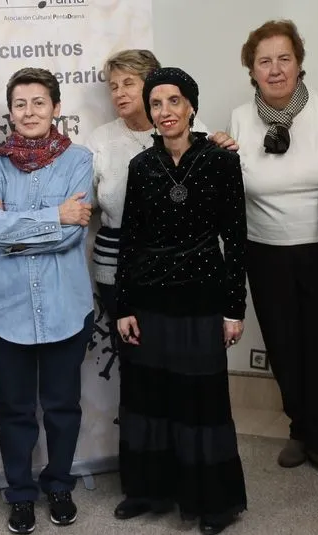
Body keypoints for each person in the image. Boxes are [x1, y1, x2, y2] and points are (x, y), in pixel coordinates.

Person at [115, 67, 248, 535]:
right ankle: (148, 491)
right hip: (149, 298)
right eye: (156, 104)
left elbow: (236, 239)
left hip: (202, 297)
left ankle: (212, 502)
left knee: (200, 402)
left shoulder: (220, 161)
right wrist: (123, 306)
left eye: (174, 102)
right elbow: (129, 239)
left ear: (191, 105)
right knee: (150, 397)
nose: (165, 112)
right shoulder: (141, 166)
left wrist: (235, 309)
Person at [226, 19, 318, 483]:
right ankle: (299, 429)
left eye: (284, 58)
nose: (275, 69)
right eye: (265, 61)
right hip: (265, 251)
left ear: (300, 64)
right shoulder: (240, 118)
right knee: (283, 346)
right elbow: (232, 186)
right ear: (252, 70)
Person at [0, 67, 95, 535]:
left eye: (39, 103)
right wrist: (53, 215)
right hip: (6, 314)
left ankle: (60, 485)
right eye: (21, 104)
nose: (30, 112)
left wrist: (19, 225)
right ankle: (20, 494)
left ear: (56, 109)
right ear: (10, 113)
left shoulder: (79, 159)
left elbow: (70, 236)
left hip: (67, 309)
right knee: (15, 410)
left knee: (63, 406)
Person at [85, 49, 224, 363]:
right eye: (113, 86)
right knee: (135, 360)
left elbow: (216, 194)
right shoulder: (100, 140)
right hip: (118, 269)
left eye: (128, 83)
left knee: (183, 359)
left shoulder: (190, 127)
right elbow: (85, 204)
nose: (119, 93)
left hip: (184, 267)